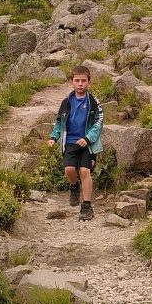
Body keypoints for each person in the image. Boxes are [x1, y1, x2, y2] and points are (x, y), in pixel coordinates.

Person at [48, 65, 103, 221]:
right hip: (70, 142)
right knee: (69, 170)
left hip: (87, 143)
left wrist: (87, 138)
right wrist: (54, 137)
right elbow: (59, 122)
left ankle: (86, 206)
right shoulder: (66, 102)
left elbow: (98, 123)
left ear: (89, 83)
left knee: (85, 171)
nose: (80, 84)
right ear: (71, 82)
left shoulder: (94, 102)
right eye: (77, 80)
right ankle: (74, 186)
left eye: (83, 81)